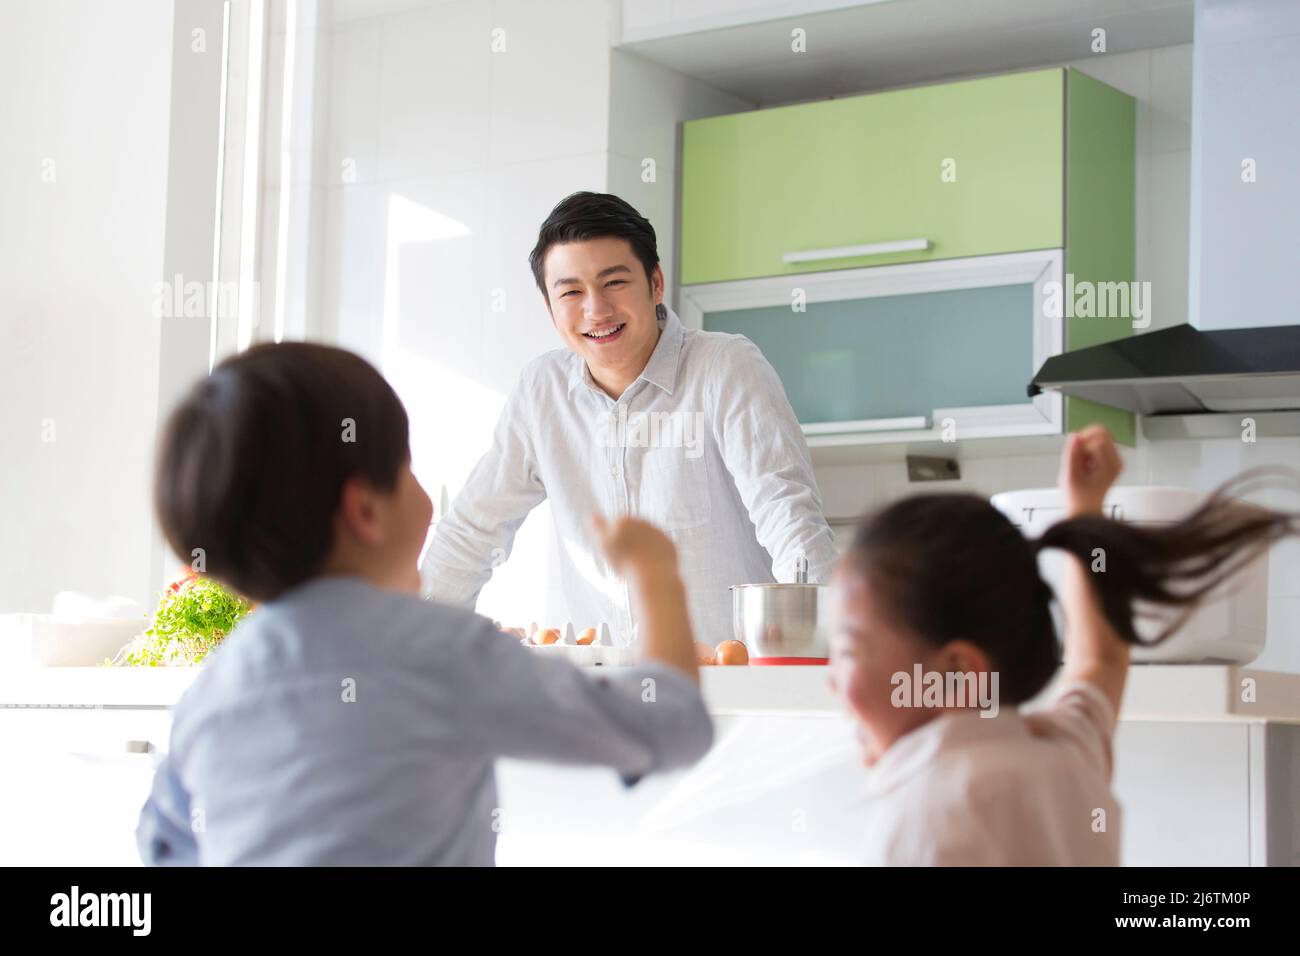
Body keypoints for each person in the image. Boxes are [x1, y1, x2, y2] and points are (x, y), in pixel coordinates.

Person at [136, 342, 712, 866]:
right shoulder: (444, 651)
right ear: (365, 510)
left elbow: (161, 844)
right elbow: (671, 725)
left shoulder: (212, 693)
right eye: (405, 468)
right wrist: (654, 573)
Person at [826, 425, 1297, 864]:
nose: (831, 681)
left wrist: (1086, 512)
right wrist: (1085, 510)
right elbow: (1101, 660)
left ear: (953, 675)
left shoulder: (923, 819)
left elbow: (1100, 661)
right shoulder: (1064, 754)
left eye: (848, 653)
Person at [420, 191, 836, 644]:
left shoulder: (724, 367)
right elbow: (471, 532)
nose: (596, 310)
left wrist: (825, 654)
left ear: (655, 283)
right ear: (549, 307)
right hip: (611, 692)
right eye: (572, 292)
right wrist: (417, 642)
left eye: (614, 283)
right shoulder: (541, 392)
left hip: (728, 688)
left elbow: (788, 517)